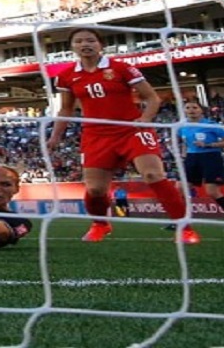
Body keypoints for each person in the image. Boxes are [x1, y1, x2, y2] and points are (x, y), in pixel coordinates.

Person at [46, 28, 197, 244]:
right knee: (95, 189)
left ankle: (185, 229)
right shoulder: (66, 75)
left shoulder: (121, 68)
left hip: (131, 130)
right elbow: (66, 110)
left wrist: (145, 118)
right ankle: (100, 224)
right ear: (72, 47)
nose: (85, 44)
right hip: (96, 135)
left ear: (101, 45)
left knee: (153, 175)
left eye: (90, 40)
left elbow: (152, 98)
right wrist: (55, 137)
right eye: (79, 41)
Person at [176, 101, 224, 231]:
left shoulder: (211, 125)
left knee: (212, 192)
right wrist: (184, 155)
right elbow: (185, 142)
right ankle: (180, 220)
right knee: (179, 188)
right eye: (188, 107)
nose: (191, 110)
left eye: (195, 107)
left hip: (210, 157)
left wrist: (209, 145)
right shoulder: (182, 126)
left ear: (201, 110)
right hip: (191, 158)